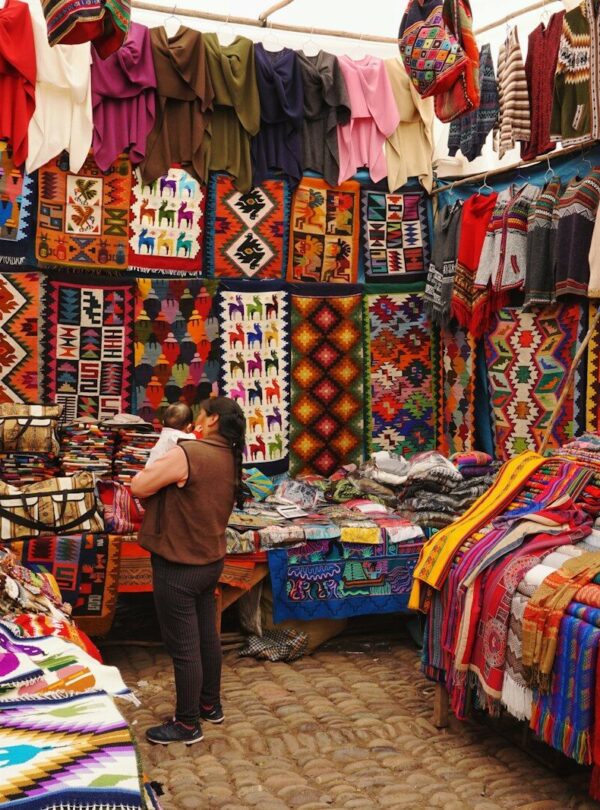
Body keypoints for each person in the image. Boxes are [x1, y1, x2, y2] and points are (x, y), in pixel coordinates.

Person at [130, 396, 246, 745]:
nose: (196, 420)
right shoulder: (230, 456)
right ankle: (210, 705)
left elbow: (139, 486)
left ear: (211, 420)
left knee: (184, 646)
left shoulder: (190, 453)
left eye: (200, 415)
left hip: (179, 564)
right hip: (209, 560)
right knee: (206, 637)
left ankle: (186, 723)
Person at [145, 402, 195, 468]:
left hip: (151, 470)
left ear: (163, 422)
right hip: (161, 473)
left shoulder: (165, 434)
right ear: (189, 427)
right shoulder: (176, 437)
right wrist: (196, 432)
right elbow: (190, 441)